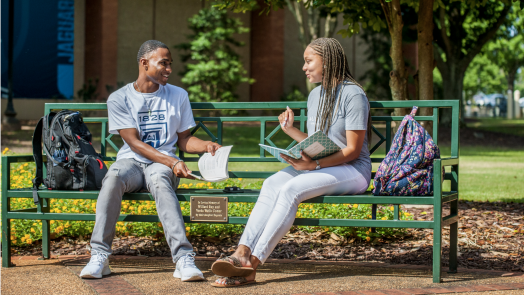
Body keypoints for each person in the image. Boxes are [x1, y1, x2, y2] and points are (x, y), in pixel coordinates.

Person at [210, 38, 372, 287]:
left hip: (353, 170)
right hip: (321, 166)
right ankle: (241, 252)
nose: (304, 67)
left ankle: (250, 266)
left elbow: (352, 150)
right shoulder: (316, 94)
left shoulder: (353, 94)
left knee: (290, 189)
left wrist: (314, 166)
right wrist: (291, 131)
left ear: (327, 62)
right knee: (272, 183)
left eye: (309, 61)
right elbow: (318, 143)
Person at [80, 40, 221, 282]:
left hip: (161, 167)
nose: (169, 69)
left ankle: (183, 259)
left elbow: (184, 140)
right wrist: (172, 162)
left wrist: (205, 146)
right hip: (132, 163)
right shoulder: (119, 98)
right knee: (113, 176)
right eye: (163, 63)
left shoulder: (178, 95)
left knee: (158, 178)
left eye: (170, 64)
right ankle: (99, 256)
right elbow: (133, 143)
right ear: (144, 64)